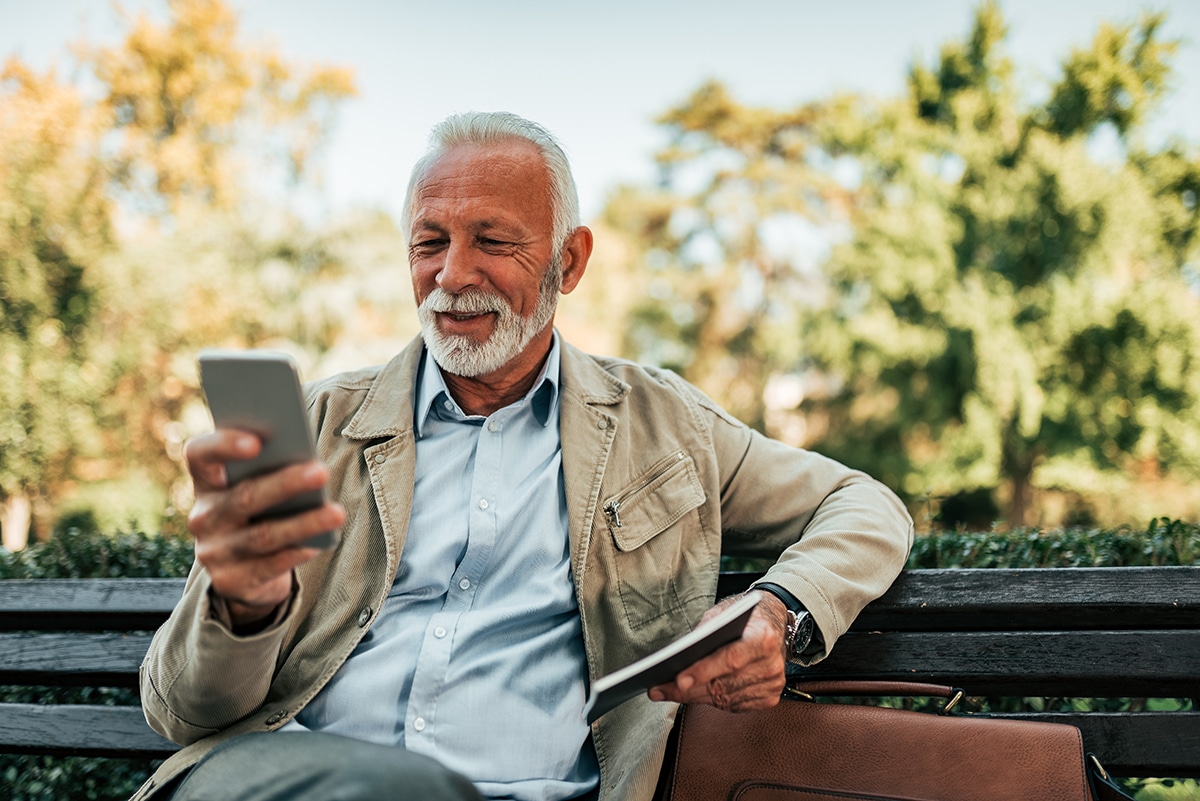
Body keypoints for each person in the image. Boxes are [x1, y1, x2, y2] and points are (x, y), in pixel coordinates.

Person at [134, 112, 913, 801]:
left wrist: (780, 611)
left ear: (568, 262)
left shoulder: (665, 426)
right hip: (291, 776)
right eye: (429, 243)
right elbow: (183, 714)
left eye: (493, 241)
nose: (451, 275)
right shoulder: (315, 426)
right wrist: (245, 608)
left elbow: (866, 505)